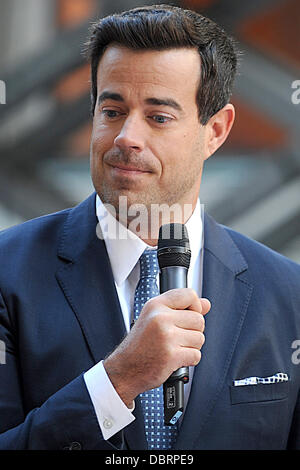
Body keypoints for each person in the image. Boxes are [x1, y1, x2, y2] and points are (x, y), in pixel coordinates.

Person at [0, 4, 299, 451]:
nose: (126, 138)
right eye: (113, 110)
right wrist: (117, 380)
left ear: (215, 130)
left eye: (158, 117)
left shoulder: (289, 293)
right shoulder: (7, 271)